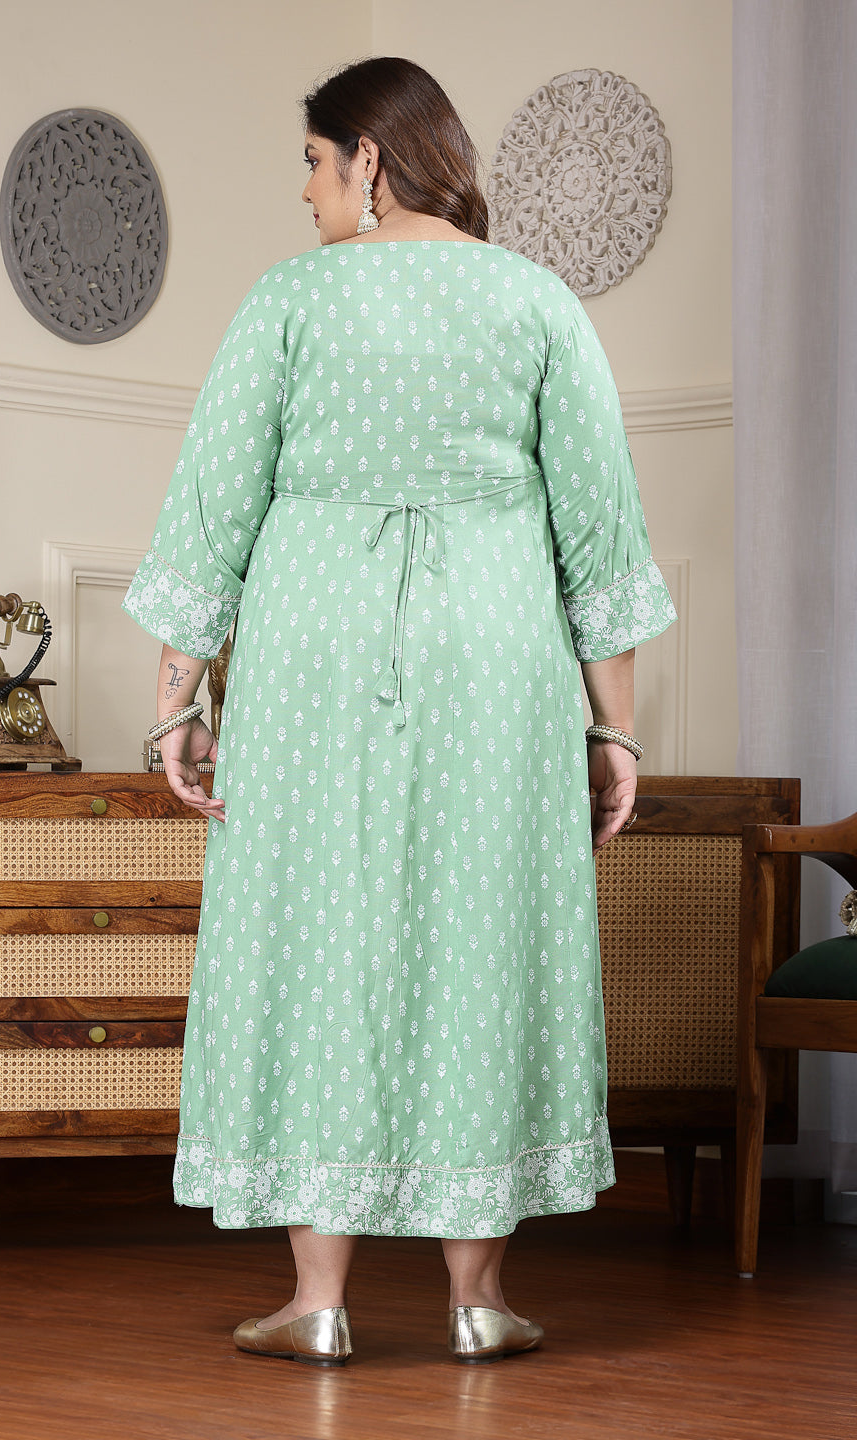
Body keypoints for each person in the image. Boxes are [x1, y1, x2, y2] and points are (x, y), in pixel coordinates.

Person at [123, 56, 676, 1367]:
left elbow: (213, 508)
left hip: (313, 651)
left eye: (315, 162)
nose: (307, 190)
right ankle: (478, 1298)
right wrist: (614, 728)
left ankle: (317, 1303)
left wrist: (176, 699)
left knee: (311, 940)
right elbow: (598, 530)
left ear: (370, 158)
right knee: (483, 939)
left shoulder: (289, 302)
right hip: (495, 655)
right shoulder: (536, 301)